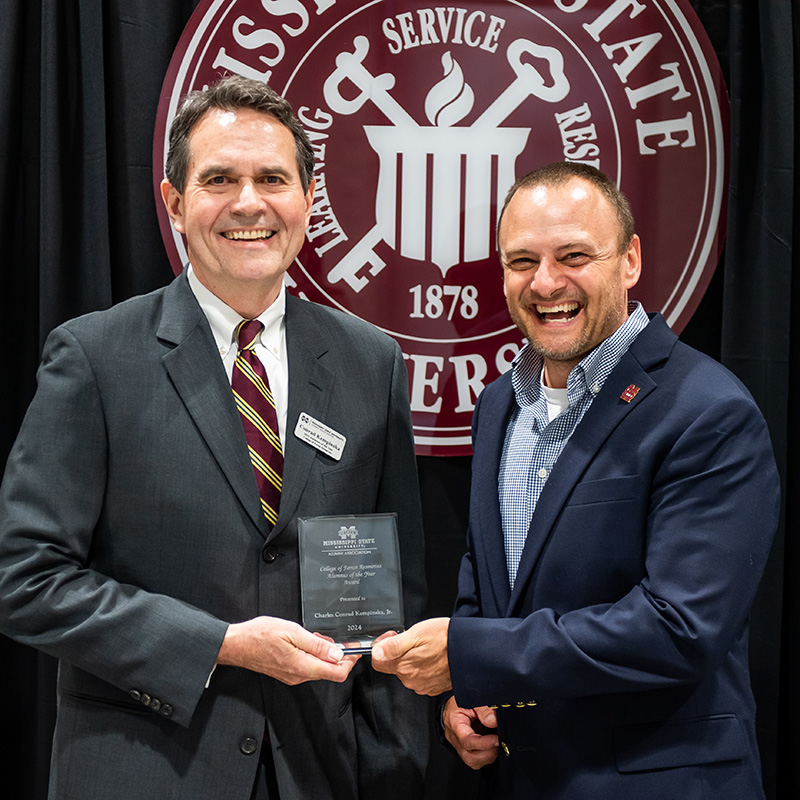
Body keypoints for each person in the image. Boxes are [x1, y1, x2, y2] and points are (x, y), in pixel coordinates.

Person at [0, 75, 428, 800]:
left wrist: (394, 763)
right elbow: (27, 581)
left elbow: (394, 587)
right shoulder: (94, 358)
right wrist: (221, 645)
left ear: (308, 198)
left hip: (320, 771)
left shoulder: (370, 361)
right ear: (173, 203)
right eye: (219, 179)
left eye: (272, 178)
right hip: (146, 769)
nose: (249, 203)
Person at [371, 161, 780, 799]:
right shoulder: (500, 403)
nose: (546, 282)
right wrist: (469, 697)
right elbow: (489, 584)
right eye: (521, 261)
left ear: (630, 260)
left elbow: (679, 627)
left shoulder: (707, 411)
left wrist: (472, 655)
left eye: (574, 255)